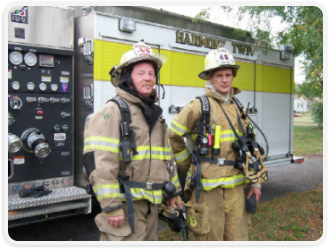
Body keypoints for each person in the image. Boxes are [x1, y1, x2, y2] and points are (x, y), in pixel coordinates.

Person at [83, 40, 183, 241]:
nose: (148, 78)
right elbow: (99, 161)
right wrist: (111, 206)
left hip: (150, 207)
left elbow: (167, 159)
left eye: (151, 74)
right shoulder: (113, 111)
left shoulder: (155, 116)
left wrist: (174, 192)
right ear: (128, 78)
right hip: (124, 208)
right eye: (141, 73)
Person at [169, 47, 268, 241]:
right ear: (211, 78)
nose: (224, 79)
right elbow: (174, 135)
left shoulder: (239, 108)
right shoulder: (200, 106)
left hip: (236, 190)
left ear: (233, 77)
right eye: (219, 75)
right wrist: (187, 165)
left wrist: (256, 182)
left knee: (237, 238)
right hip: (207, 190)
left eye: (228, 75)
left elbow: (250, 147)